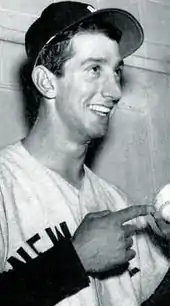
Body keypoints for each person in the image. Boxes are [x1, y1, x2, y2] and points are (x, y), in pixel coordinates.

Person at [0, 1, 170, 305]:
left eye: (116, 71)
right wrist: (73, 261)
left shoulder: (115, 200)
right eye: (94, 69)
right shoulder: (4, 185)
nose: (115, 91)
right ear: (47, 82)